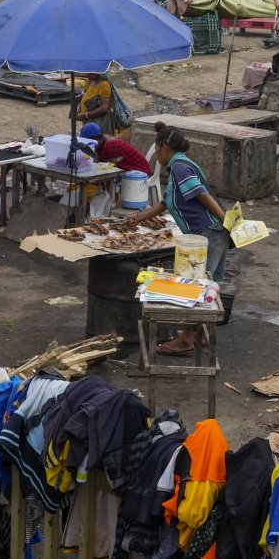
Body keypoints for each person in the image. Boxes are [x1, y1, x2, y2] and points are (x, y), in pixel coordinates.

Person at [125, 129, 234, 356]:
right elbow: (166, 203)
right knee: (208, 282)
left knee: (196, 284)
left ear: (165, 147)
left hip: (209, 231)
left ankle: (186, 339)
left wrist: (227, 221)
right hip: (212, 231)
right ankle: (200, 332)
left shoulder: (179, 167)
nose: (158, 157)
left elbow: (203, 195)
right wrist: (139, 217)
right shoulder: (179, 167)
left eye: (157, 151)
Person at [74, 72, 129, 139]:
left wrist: (85, 115)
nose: (88, 73)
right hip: (88, 122)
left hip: (100, 124)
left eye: (92, 71)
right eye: (88, 70)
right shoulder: (90, 81)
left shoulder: (104, 84)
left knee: (98, 143)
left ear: (99, 71)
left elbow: (105, 107)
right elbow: (86, 94)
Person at [78, 122, 148, 173]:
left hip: (139, 173)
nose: (89, 146)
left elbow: (109, 171)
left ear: (98, 138)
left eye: (90, 142)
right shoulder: (102, 140)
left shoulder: (110, 145)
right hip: (129, 169)